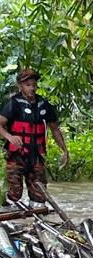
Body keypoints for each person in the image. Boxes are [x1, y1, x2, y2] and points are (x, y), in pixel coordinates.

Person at [0, 68, 69, 207]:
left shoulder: (44, 104)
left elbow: (55, 129)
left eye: (34, 85)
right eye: (28, 85)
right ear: (20, 85)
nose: (32, 88)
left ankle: (36, 222)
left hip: (36, 155)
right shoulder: (13, 104)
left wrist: (65, 150)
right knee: (14, 194)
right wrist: (9, 136)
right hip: (16, 155)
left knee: (39, 197)